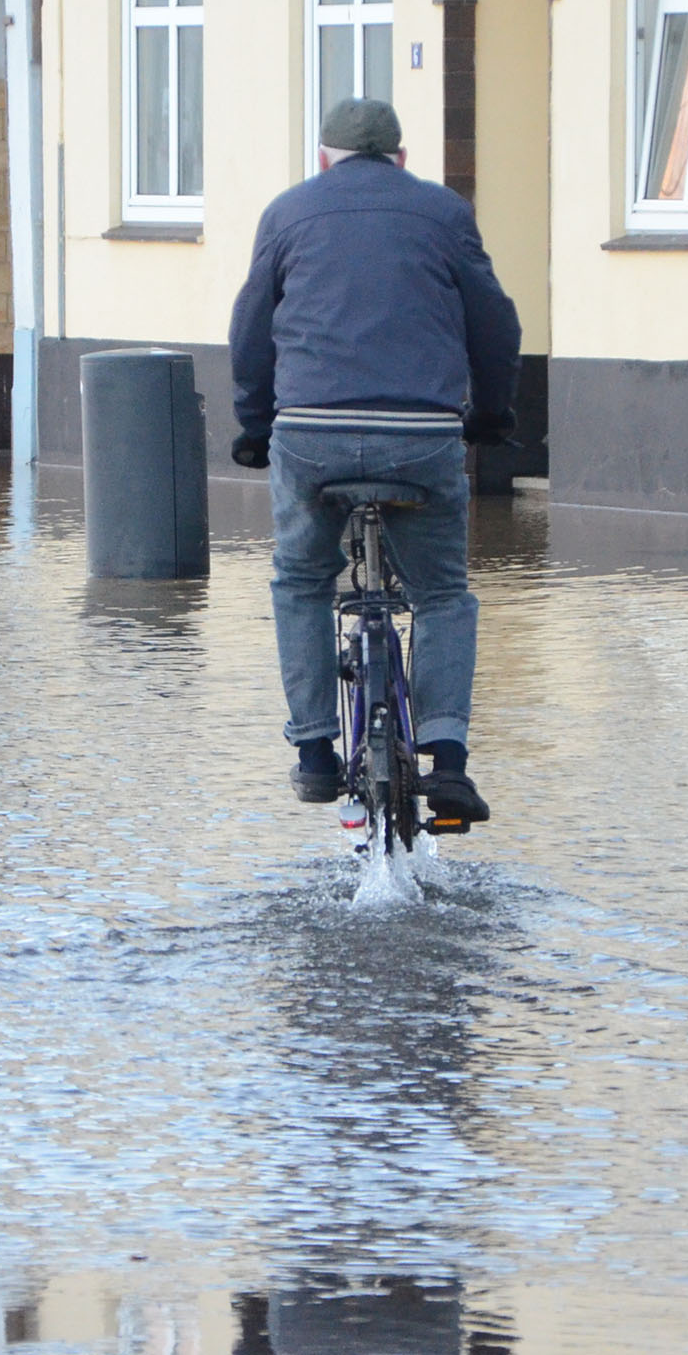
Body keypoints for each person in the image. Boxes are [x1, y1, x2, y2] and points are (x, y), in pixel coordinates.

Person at [228, 97, 521, 831]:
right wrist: (493, 413)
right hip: (418, 432)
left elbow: (250, 329)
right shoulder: (444, 212)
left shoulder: (288, 213)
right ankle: (447, 760)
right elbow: (495, 322)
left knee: (301, 579)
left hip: (311, 434)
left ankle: (316, 754)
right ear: (401, 158)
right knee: (443, 593)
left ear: (323, 158)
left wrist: (253, 422)